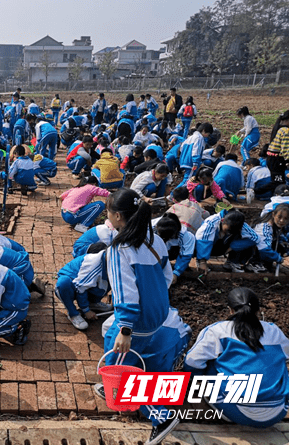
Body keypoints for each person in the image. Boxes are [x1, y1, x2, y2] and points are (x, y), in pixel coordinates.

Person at [97, 188, 183, 445]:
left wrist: (125, 328)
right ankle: (110, 386)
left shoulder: (119, 247)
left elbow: (125, 291)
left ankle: (161, 416)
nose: (107, 217)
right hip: (158, 312)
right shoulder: (154, 239)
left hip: (138, 318)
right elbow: (167, 276)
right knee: (123, 351)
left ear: (119, 216)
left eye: (108, 212)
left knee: (123, 366)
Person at [184, 287, 289, 428]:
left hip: (237, 410)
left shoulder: (217, 331)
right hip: (278, 411)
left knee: (210, 364)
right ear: (258, 310)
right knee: (279, 364)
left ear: (230, 310)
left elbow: (191, 362)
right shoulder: (274, 331)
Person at [56, 243, 113, 330]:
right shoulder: (95, 265)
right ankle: (73, 314)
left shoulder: (110, 261)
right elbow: (80, 288)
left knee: (109, 280)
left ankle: (93, 303)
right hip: (73, 286)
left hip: (84, 285)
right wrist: (86, 311)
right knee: (63, 283)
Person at [196, 209, 262, 274]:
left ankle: (233, 262)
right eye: (228, 230)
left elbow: (256, 238)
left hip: (225, 246)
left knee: (247, 239)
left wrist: (234, 246)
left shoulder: (242, 225)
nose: (228, 232)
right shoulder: (211, 223)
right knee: (199, 244)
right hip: (208, 247)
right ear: (223, 221)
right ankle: (199, 261)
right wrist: (202, 262)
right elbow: (203, 241)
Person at [153, 213, 195, 284]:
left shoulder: (186, 236)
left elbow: (185, 255)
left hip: (172, 251)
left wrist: (176, 273)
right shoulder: (148, 229)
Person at [176, 122, 213, 190]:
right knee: (187, 181)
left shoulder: (191, 137)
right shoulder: (199, 138)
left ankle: (179, 195)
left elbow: (181, 148)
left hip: (185, 161)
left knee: (188, 179)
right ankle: (174, 195)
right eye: (208, 134)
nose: (207, 136)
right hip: (191, 163)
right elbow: (196, 151)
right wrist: (195, 163)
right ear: (204, 130)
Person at [252, 203, 289, 270]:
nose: (282, 221)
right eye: (279, 217)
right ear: (273, 215)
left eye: (286, 218)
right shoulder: (265, 227)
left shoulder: (278, 227)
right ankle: (255, 263)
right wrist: (280, 259)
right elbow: (264, 249)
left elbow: (283, 240)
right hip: (255, 251)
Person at [267, 110, 289, 185]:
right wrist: (288, 162)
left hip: (272, 159)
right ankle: (256, 191)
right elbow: (285, 149)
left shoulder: (279, 129)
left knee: (276, 182)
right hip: (277, 160)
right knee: (277, 183)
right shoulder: (286, 131)